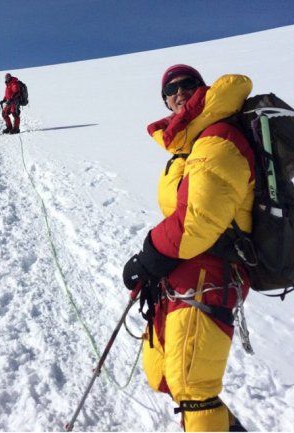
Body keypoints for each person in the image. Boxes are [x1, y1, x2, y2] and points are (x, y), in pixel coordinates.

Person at [122, 64, 254, 432]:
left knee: (194, 388)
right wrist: (156, 262)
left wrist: (150, 256)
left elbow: (198, 220)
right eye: (170, 89)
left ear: (202, 88)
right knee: (163, 374)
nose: (178, 93)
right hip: (181, 271)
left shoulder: (218, 137)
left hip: (209, 274)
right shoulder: (189, 146)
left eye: (187, 85)